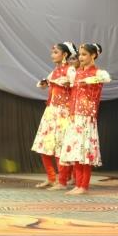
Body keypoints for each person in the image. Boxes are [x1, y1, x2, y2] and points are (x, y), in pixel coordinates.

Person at [59, 43, 111, 195]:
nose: (80, 58)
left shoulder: (98, 72)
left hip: (87, 116)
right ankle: (78, 184)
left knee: (85, 151)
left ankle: (84, 185)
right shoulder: (76, 73)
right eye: (79, 55)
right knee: (76, 150)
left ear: (93, 55)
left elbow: (106, 78)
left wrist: (90, 80)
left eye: (84, 54)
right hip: (74, 115)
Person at [32, 42, 78, 189]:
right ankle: (51, 178)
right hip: (51, 111)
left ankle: (62, 181)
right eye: (52, 52)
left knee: (60, 147)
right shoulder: (55, 71)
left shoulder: (70, 70)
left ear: (65, 55)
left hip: (63, 112)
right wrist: (45, 83)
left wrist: (69, 84)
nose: (52, 55)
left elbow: (77, 87)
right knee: (44, 146)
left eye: (56, 52)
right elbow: (48, 83)